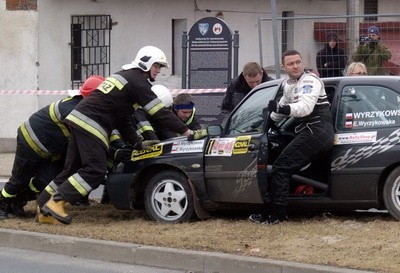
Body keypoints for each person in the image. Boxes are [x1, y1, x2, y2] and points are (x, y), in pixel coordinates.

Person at [36, 46, 193, 225]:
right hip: (91, 124)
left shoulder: (126, 77)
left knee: (70, 170)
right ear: (146, 62)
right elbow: (159, 112)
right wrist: (186, 131)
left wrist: (138, 144)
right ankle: (56, 203)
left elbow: (123, 120)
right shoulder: (138, 81)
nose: (158, 71)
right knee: (95, 170)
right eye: (157, 66)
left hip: (78, 120)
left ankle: (43, 208)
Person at [0, 75, 105, 220]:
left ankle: (18, 201)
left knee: (45, 180)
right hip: (30, 144)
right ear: (92, 96)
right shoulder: (73, 109)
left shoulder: (82, 107)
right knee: (18, 180)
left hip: (49, 151)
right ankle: (2, 205)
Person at [248, 50, 334, 225]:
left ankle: (278, 215)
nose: (295, 66)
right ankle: (269, 211)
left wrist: (280, 110)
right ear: (283, 66)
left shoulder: (310, 80)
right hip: (309, 130)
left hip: (318, 129)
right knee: (281, 165)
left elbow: (304, 108)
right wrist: (262, 125)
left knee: (281, 167)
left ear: (302, 63)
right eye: (290, 63)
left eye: (298, 62)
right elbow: (281, 110)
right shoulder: (289, 85)